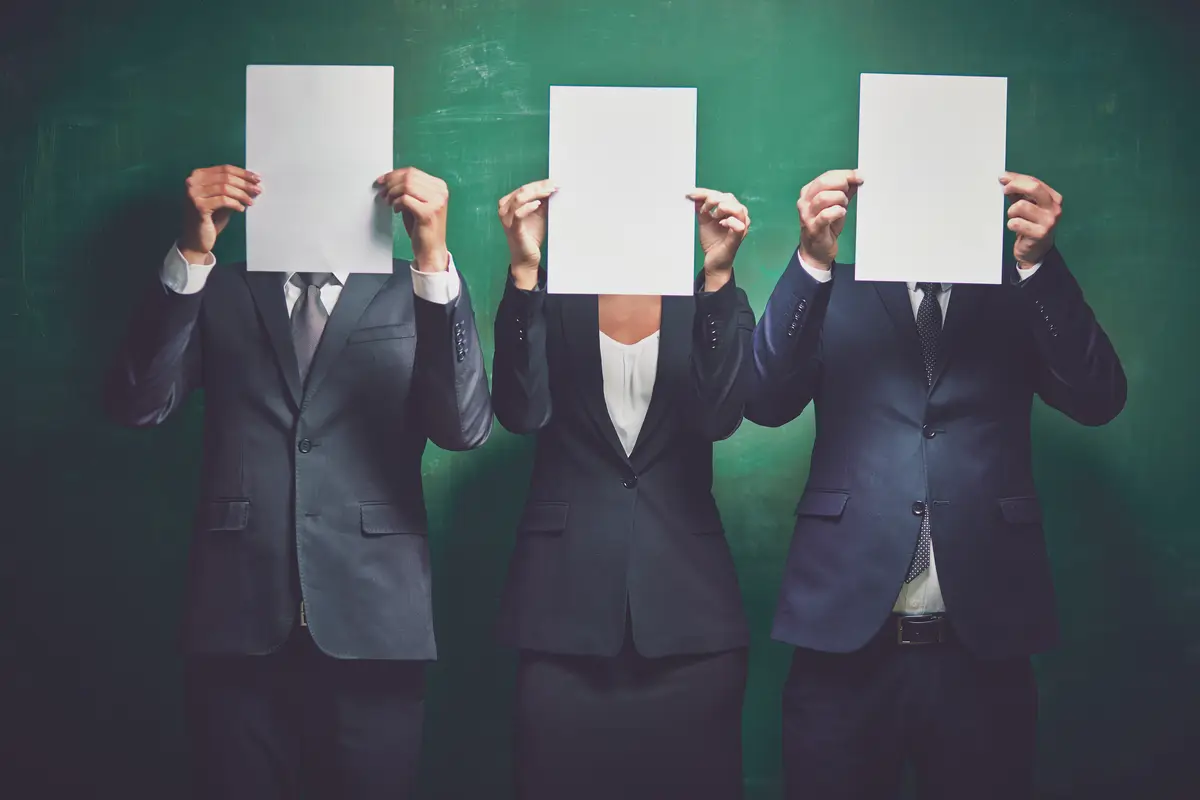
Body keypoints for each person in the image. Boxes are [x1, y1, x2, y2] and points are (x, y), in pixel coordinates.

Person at [104, 164, 492, 799]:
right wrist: (192, 253)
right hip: (237, 619)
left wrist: (430, 258)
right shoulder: (220, 289)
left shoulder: (416, 289)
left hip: (377, 622)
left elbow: (464, 427)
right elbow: (137, 405)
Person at [749, 169, 1126, 799]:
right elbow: (761, 400)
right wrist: (812, 261)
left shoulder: (1019, 291)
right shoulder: (830, 289)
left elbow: (1099, 398)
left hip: (985, 648)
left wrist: (1040, 267)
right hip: (841, 647)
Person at [491, 180, 757, 799]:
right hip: (561, 617)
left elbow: (720, 418)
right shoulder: (548, 300)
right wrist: (525, 271)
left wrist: (717, 277)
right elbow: (520, 412)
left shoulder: (713, 304)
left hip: (691, 623)